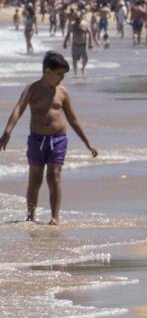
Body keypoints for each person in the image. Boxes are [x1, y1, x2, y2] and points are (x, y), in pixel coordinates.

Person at [0, 52, 99, 225]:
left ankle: (55, 217)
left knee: (54, 177)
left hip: (58, 140)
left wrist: (87, 142)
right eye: (59, 74)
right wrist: (7, 132)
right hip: (37, 140)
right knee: (35, 179)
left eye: (63, 75)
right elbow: (18, 110)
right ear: (47, 72)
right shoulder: (32, 89)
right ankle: (30, 216)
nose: (61, 78)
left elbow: (73, 119)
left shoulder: (63, 93)